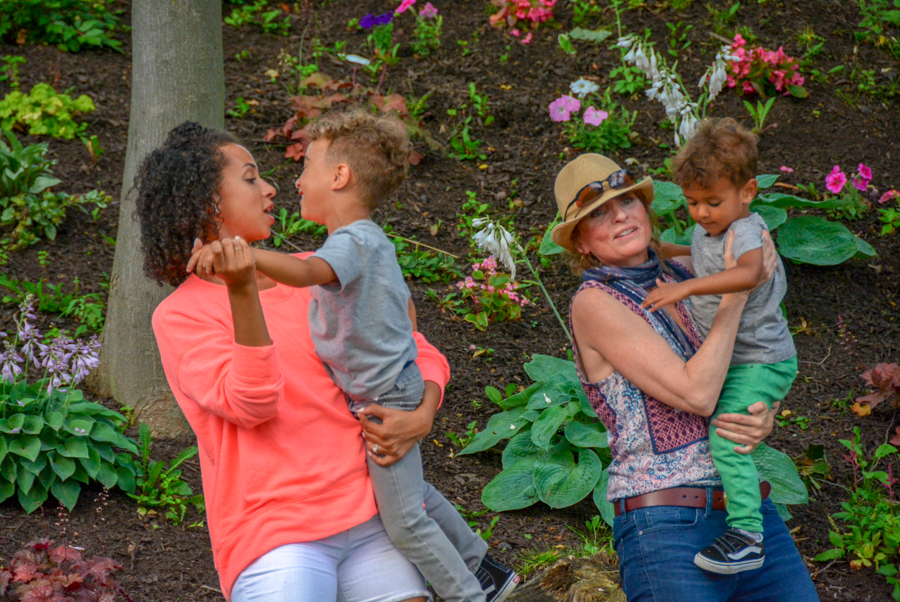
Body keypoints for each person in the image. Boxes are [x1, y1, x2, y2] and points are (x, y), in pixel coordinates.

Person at [137, 122, 517, 602]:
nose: (271, 188)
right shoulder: (180, 316)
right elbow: (253, 404)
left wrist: (422, 413)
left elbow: (411, 346)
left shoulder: (318, 270)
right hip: (274, 533)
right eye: (251, 178)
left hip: (371, 514)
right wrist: (242, 290)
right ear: (208, 202)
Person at [550, 153, 818, 601]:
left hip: (747, 513)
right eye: (598, 213)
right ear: (581, 242)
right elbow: (697, 393)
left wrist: (762, 411)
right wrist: (736, 292)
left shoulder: (684, 271)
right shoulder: (594, 303)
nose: (620, 216)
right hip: (666, 525)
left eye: (627, 202)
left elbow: (759, 346)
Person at [639, 118, 797, 574]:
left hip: (760, 360)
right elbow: (705, 258)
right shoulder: (712, 231)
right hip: (738, 359)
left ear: (747, 192)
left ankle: (748, 535)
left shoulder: (745, 230)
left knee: (727, 439)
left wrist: (685, 288)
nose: (702, 213)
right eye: (692, 202)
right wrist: (668, 251)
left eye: (713, 202)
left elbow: (747, 273)